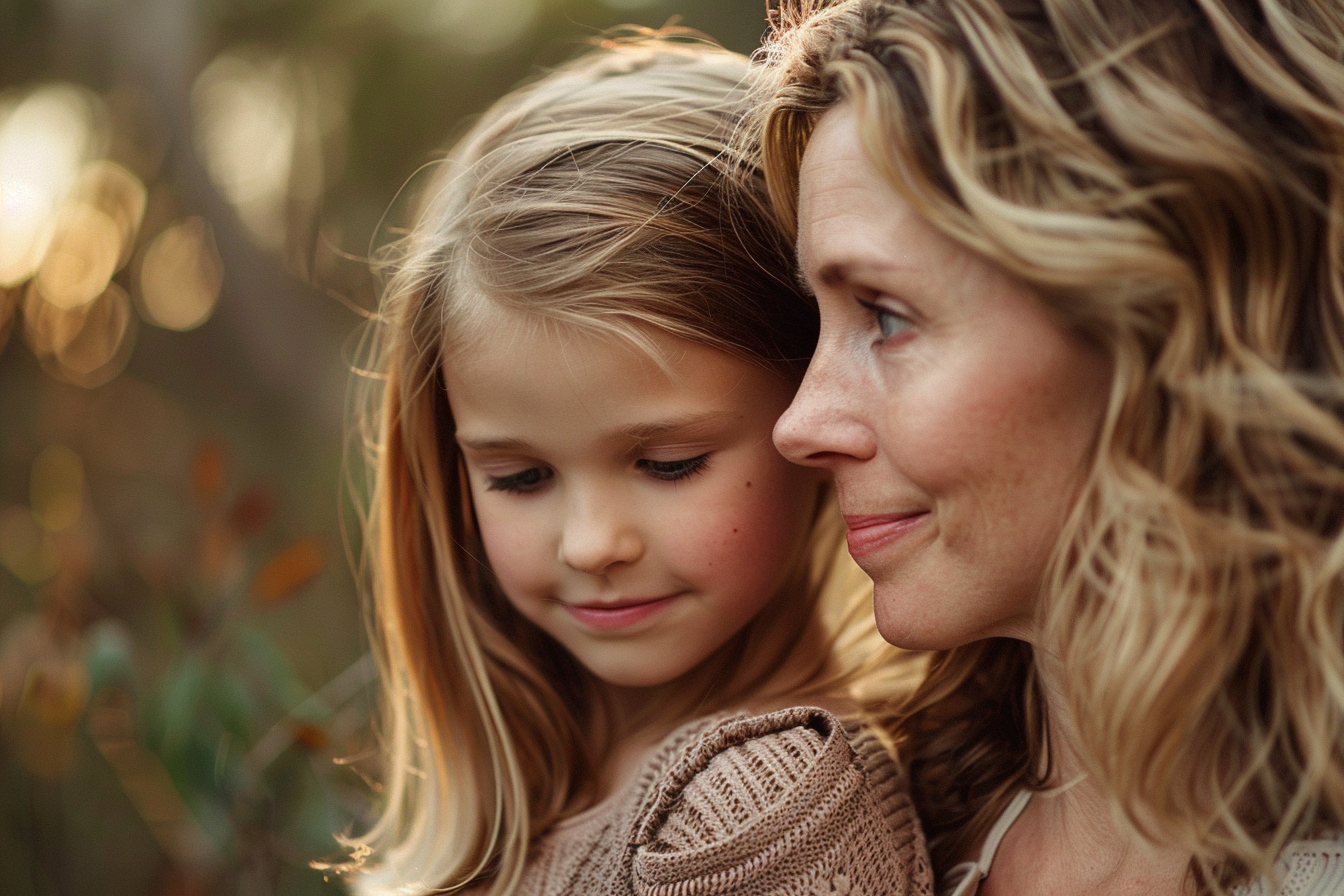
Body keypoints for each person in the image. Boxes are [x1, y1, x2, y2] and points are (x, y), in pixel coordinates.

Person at [752, 0, 1344, 894]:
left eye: (885, 314)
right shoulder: (849, 834)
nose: (798, 426)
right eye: (817, 322)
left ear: (1161, 322)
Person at [336, 32, 933, 896]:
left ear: (809, 410)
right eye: (521, 477)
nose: (590, 545)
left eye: (667, 463)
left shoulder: (759, 817)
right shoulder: (546, 791)